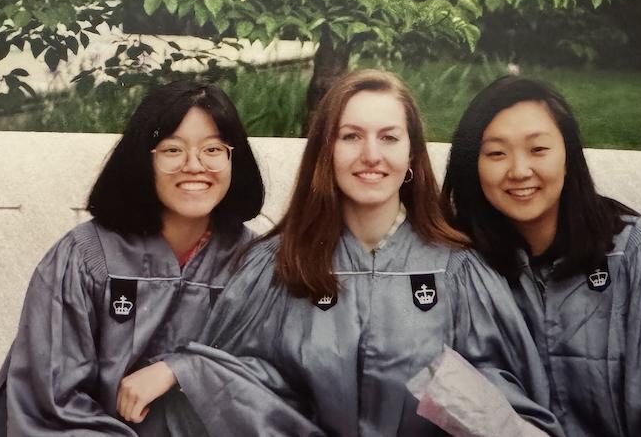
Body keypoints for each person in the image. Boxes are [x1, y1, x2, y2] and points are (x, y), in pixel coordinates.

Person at [116, 69, 563, 436]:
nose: (371, 155)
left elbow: (510, 406)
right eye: (350, 136)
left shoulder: (461, 271)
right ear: (325, 152)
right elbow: (244, 393)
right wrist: (186, 369)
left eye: (389, 137)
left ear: (412, 156)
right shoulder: (276, 266)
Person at [441, 76, 641, 436]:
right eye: (496, 153)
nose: (519, 171)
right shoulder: (467, 269)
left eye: (538, 150)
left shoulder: (639, 252)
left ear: (569, 154)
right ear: (472, 165)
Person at [0, 80, 265, 436]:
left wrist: (183, 369)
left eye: (213, 149)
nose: (195, 165)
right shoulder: (84, 259)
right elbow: (51, 404)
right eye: (172, 150)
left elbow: (278, 383)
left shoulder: (257, 265)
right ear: (144, 161)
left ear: (232, 158)